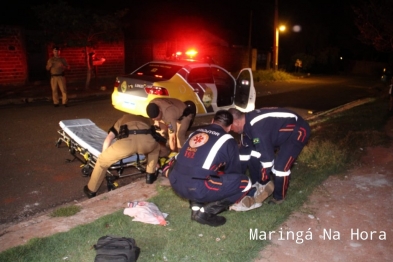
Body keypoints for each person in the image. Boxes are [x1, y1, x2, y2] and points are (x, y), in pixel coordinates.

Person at [166, 110, 262, 227]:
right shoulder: (228, 140)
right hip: (197, 188)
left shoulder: (195, 133)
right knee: (244, 182)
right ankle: (206, 212)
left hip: (176, 182)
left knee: (200, 171)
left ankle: (196, 208)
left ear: (212, 121)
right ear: (229, 127)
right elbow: (233, 172)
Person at [229, 107, 311, 205]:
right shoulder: (246, 128)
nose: (230, 130)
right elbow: (244, 154)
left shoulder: (257, 129)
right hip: (279, 133)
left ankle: (279, 197)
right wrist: (235, 178)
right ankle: (256, 185)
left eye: (230, 126)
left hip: (297, 131)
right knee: (254, 155)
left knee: (280, 167)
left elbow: (267, 159)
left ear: (236, 122)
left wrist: (263, 179)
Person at [83, 114, 165, 198]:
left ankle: (91, 190)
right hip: (147, 143)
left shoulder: (121, 120)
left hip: (127, 144)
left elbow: (109, 138)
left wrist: (105, 155)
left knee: (102, 161)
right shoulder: (146, 120)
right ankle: (150, 176)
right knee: (154, 150)